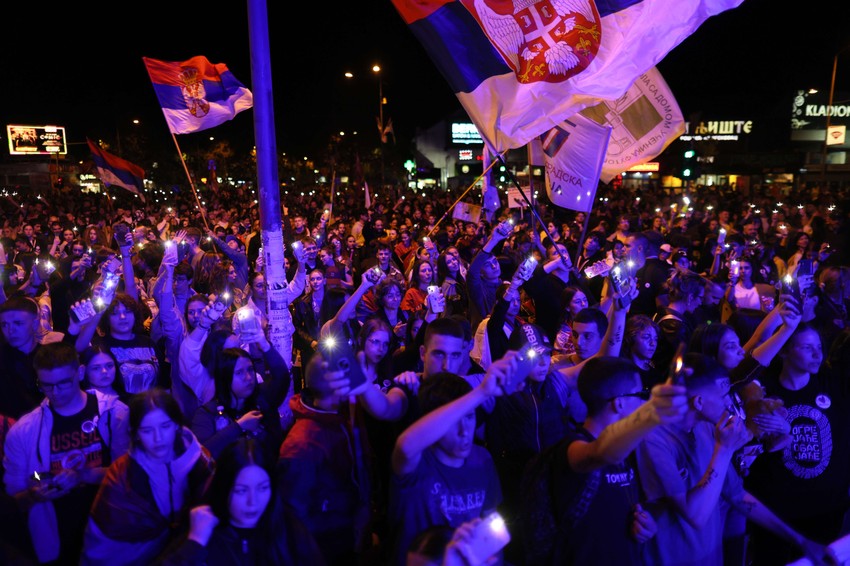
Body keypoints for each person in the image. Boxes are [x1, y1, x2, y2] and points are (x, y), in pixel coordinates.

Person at [635, 353, 825, 566]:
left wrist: (800, 540)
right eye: (723, 396)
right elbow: (695, 515)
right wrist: (724, 449)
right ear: (698, 401)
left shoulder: (706, 426)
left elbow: (737, 495)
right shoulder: (653, 438)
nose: (729, 403)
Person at [523, 356, 687, 565]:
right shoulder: (572, 449)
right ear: (618, 403)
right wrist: (654, 410)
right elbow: (602, 452)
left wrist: (647, 524)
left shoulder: (628, 449)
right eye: (640, 394)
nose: (644, 402)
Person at [2, 342, 130, 564]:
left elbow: (130, 472)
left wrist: (84, 475)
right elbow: (25, 482)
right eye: (47, 386)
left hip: (112, 528)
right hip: (58, 536)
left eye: (64, 383)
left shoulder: (114, 414)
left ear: (80, 373)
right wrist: (40, 483)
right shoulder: (25, 431)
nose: (56, 392)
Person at [388, 357, 512, 566]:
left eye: (470, 416)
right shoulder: (417, 463)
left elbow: (491, 531)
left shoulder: (482, 458)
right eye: (454, 421)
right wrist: (481, 391)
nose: (465, 431)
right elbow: (406, 445)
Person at [745, 323, 850, 564]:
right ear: (784, 351)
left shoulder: (835, 384)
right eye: (806, 347)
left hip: (826, 513)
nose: (817, 354)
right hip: (776, 516)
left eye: (818, 347)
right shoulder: (762, 391)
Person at [81, 389, 215, 565]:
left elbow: (215, 503)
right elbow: (103, 544)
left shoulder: (199, 459)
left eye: (165, 426)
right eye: (147, 430)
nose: (158, 438)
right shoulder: (122, 475)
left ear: (177, 425)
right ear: (135, 433)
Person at [157, 438, 325, 566]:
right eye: (241, 490)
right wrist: (194, 544)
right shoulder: (202, 530)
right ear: (224, 488)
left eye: (263, 488)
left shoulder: (290, 529)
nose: (253, 502)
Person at [191, 330, 290, 464]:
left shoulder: (263, 399)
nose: (248, 378)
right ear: (224, 377)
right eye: (239, 372)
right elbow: (201, 457)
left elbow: (282, 377)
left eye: (250, 370)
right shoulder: (207, 414)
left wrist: (265, 345)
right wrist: (238, 427)